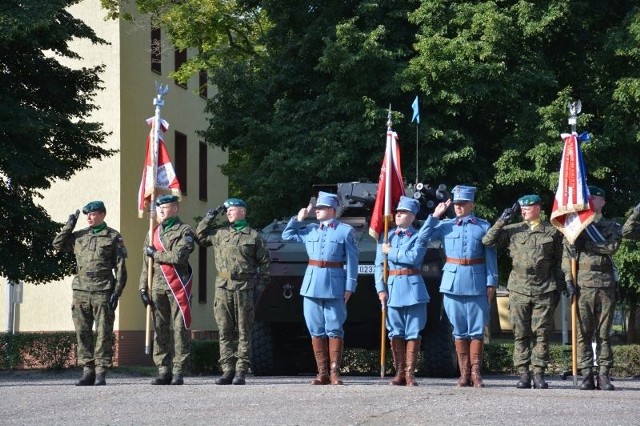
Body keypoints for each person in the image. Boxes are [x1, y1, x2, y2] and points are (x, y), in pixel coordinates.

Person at [416, 185, 498, 387]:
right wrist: (435, 216)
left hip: (477, 282)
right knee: (459, 331)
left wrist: (492, 282)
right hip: (452, 283)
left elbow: (490, 257)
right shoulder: (446, 225)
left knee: (476, 331)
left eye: (463, 204)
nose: (459, 207)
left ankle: (476, 374)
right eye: (456, 203)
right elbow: (422, 238)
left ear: (471, 204)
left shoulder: (483, 227)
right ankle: (464, 374)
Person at [482, 194, 564, 389]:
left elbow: (560, 263)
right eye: (521, 207)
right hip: (518, 287)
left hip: (544, 288)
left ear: (538, 208)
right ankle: (523, 374)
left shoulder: (552, 232)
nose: (523, 210)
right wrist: (502, 220)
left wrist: (558, 288)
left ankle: (539, 374)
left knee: (542, 333)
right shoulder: (513, 230)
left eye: (528, 207)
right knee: (520, 333)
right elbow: (487, 241)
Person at [282, 191, 358, 385]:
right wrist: (298, 219)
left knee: (334, 328)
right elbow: (287, 235)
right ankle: (322, 372)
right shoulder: (310, 230)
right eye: (316, 208)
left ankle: (334, 372)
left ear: (332, 210)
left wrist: (350, 286)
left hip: (335, 285)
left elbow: (352, 261)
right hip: (312, 285)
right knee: (315, 328)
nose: (316, 211)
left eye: (321, 208)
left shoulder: (345, 231)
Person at [195, 198, 271, 386]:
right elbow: (200, 237)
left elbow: (265, 266)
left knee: (244, 331)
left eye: (232, 210)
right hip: (223, 287)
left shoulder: (254, 236)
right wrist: (209, 217)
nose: (228, 213)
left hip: (245, 287)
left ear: (243, 212)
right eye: (227, 211)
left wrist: (258, 289)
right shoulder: (220, 234)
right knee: (224, 330)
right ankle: (227, 369)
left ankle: (241, 371)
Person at [52, 201, 127, 386]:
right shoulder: (79, 236)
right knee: (82, 332)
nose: (89, 217)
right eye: (87, 215)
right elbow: (57, 244)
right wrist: (69, 225)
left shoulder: (112, 237)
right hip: (80, 291)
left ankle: (101, 372)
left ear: (102, 214)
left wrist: (117, 292)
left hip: (103, 290)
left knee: (103, 333)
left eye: (92, 214)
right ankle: (87, 371)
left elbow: (120, 268)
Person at [563, 186, 621, 391]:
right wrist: (569, 278)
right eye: (587, 198)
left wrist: (586, 244)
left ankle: (604, 375)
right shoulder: (575, 227)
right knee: (583, 333)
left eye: (594, 198)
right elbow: (567, 256)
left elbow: (611, 247)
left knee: (604, 333)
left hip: (605, 285)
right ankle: (587, 374)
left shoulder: (611, 225)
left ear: (602, 202)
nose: (589, 201)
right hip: (583, 285)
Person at [139, 194, 195, 386]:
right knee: (160, 330)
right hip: (157, 287)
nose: (160, 211)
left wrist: (156, 254)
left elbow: (179, 256)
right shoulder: (152, 232)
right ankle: (163, 369)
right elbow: (146, 264)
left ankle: (179, 370)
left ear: (175, 209)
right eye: (159, 208)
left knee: (179, 330)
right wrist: (143, 287)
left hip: (177, 285)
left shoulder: (185, 230)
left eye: (165, 207)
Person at [374, 196, 429, 387]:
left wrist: (392, 252)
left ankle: (410, 373)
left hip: (413, 289)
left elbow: (414, 258)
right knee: (395, 332)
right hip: (393, 289)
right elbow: (378, 266)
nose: (398, 214)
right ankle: (399, 373)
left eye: (403, 212)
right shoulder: (387, 236)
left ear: (412, 216)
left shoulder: (418, 236)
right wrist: (380, 289)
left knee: (413, 333)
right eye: (397, 211)